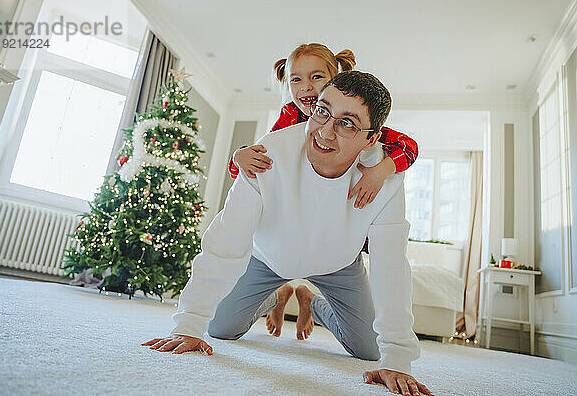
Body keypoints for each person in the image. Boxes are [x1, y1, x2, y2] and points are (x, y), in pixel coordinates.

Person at [142, 70, 432, 396]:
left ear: (372, 138)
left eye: (347, 123)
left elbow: (390, 266)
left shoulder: (385, 178)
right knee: (219, 328)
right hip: (268, 258)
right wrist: (190, 323)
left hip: (338, 265)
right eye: (323, 111)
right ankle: (274, 297)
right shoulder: (268, 154)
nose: (326, 131)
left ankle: (315, 302)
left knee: (369, 350)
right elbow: (226, 241)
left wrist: (397, 358)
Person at [228, 43, 418, 210]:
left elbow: (408, 146)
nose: (305, 87)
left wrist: (379, 172)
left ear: (334, 80)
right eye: (296, 79)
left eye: (316, 76)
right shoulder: (291, 114)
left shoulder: (357, 122)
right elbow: (265, 156)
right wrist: (238, 158)